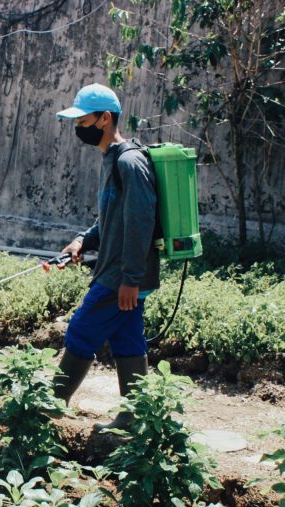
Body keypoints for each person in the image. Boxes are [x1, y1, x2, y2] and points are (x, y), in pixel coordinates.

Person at [53, 83, 160, 430]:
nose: (78, 128)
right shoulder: (111, 159)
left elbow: (141, 222)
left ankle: (46, 409)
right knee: (127, 338)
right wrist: (82, 241)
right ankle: (134, 419)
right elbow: (110, 216)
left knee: (82, 330)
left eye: (83, 121)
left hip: (120, 277)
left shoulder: (129, 161)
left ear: (105, 118)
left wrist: (130, 278)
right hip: (119, 273)